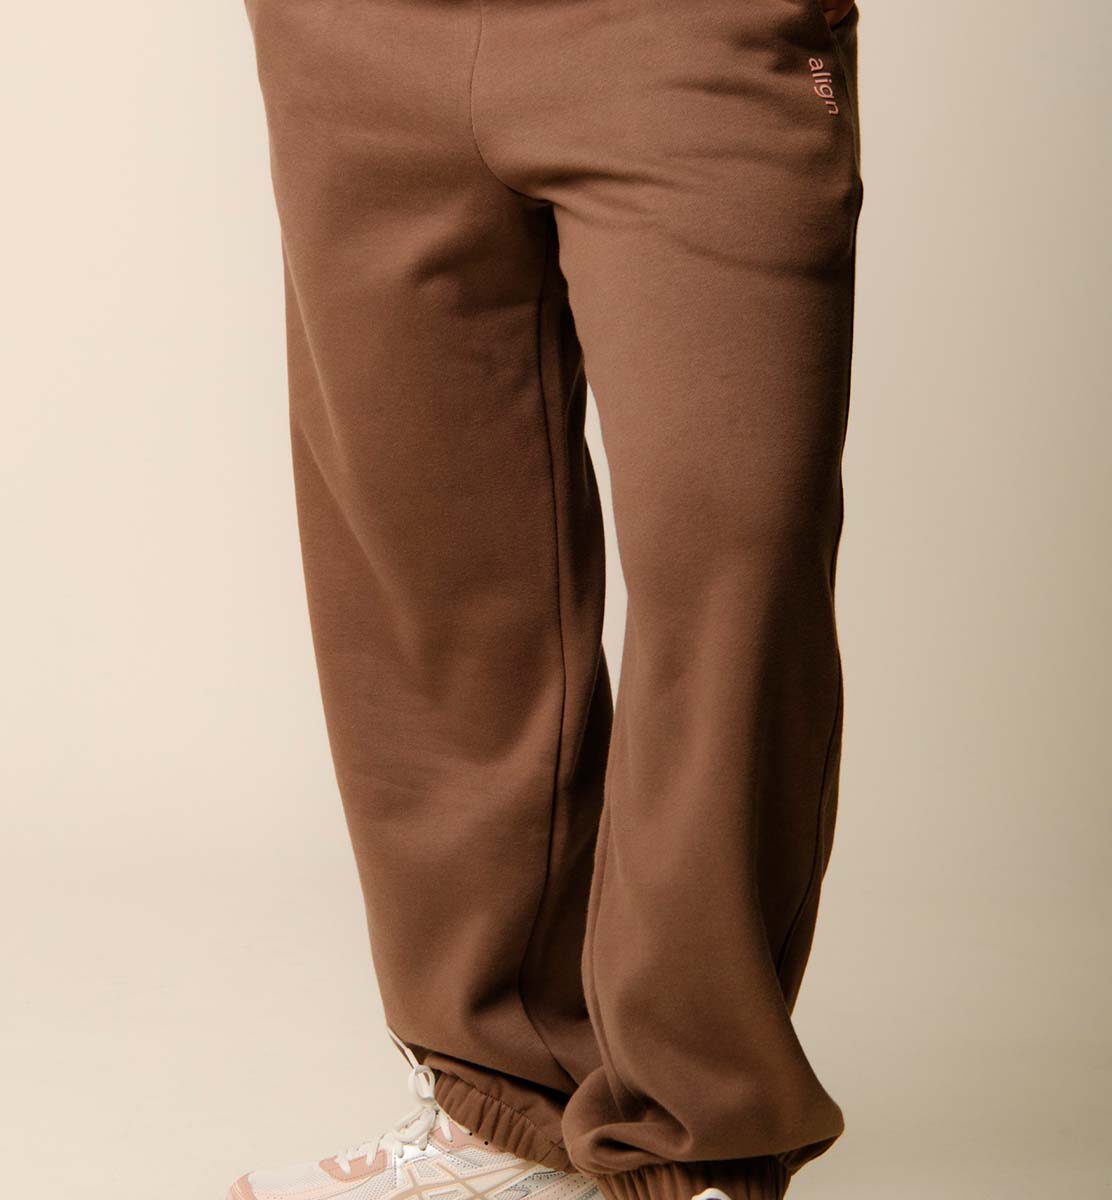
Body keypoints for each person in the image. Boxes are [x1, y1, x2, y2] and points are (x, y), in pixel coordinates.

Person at [229, 1, 863, 1199]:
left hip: (684, 32)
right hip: (353, 42)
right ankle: (509, 1118)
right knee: (429, 582)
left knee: (733, 574)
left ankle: (700, 1137)